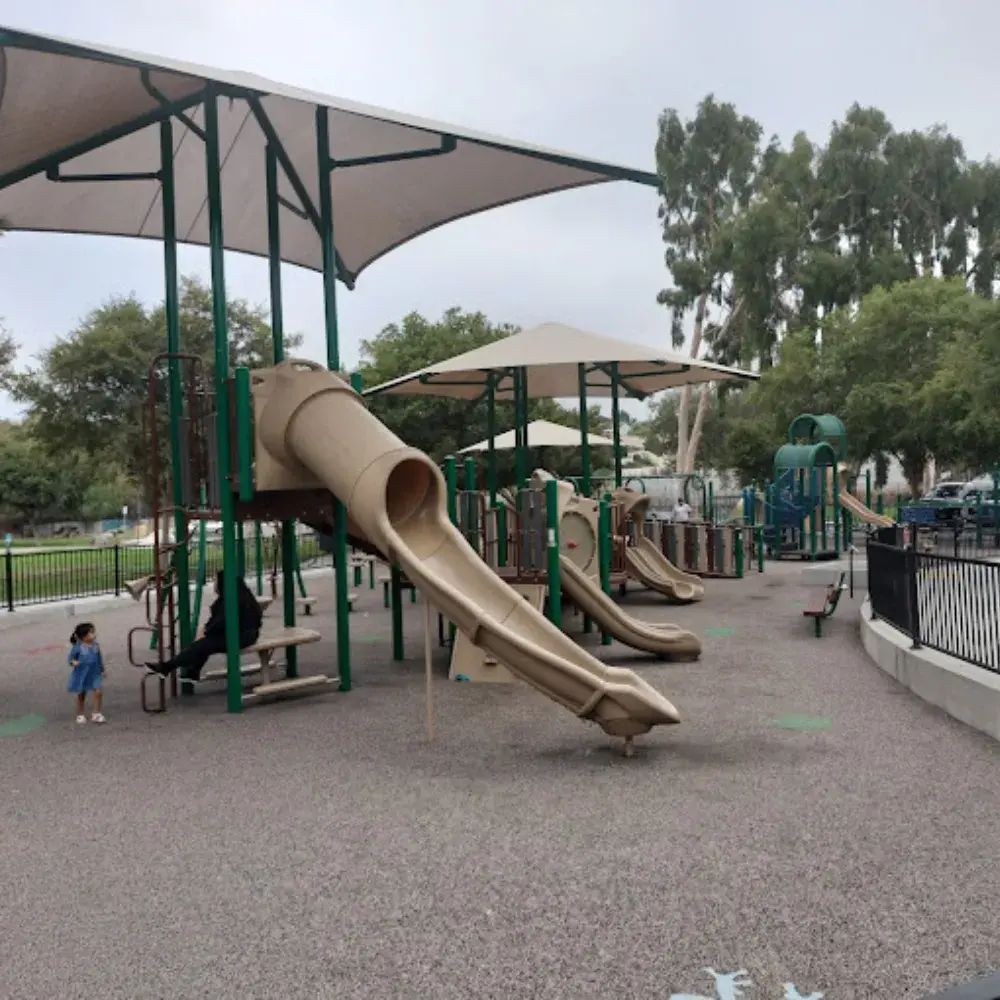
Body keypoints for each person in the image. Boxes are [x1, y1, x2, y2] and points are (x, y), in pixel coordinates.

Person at [148, 571, 262, 681]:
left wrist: (206, 630)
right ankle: (192, 672)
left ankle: (167, 667)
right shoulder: (241, 594)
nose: (214, 584)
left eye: (215, 581)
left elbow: (221, 622)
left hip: (240, 638)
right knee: (205, 644)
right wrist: (207, 630)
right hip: (247, 635)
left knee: (203, 644)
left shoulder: (230, 599)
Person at [68, 622, 106, 725]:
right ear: (83, 637)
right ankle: (80, 714)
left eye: (94, 632)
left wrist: (102, 669)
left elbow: (99, 658)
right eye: (91, 633)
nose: (94, 635)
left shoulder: (95, 646)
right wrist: (73, 662)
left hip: (95, 673)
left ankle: (96, 713)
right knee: (82, 694)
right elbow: (71, 658)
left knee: (98, 691)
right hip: (83, 674)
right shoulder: (78, 647)